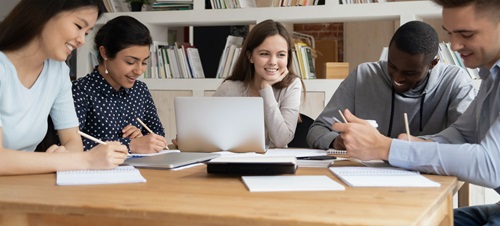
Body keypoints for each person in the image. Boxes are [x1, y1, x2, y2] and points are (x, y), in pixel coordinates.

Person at [332, 0, 500, 225]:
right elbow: (461, 133)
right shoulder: (491, 75)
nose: (455, 45)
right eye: (449, 33)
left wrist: (386, 147)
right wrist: (413, 144)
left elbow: (490, 165)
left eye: (466, 35)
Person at [0, 0, 128, 175]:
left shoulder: (58, 71)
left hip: (22, 185)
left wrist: (65, 157)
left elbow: (72, 141)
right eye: (78, 26)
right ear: (44, 13)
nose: (82, 40)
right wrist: (80, 160)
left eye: (87, 32)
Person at [307, 20, 476, 150]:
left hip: (428, 179)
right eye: (392, 66)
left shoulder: (455, 81)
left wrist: (412, 145)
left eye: (410, 73)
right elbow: (318, 130)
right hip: (365, 179)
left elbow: (468, 139)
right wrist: (336, 141)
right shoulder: (363, 75)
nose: (397, 77)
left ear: (433, 63)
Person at [73, 16, 168, 154]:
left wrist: (144, 139)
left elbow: (158, 135)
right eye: (130, 62)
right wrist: (130, 144)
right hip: (95, 172)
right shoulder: (80, 91)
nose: (139, 70)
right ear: (104, 53)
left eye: (144, 62)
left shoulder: (140, 90)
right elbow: (68, 144)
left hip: (140, 170)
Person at [212, 19, 303, 148]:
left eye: (281, 55)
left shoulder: (292, 85)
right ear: (250, 56)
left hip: (274, 164)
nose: (273, 61)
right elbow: (207, 131)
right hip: (234, 161)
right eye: (264, 54)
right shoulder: (229, 89)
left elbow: (281, 140)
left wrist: (265, 89)